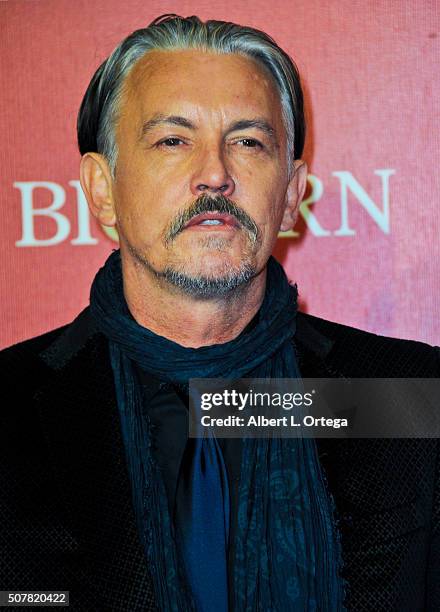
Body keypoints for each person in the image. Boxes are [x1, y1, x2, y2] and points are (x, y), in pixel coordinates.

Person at [0, 13, 438, 612]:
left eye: (248, 142)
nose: (215, 175)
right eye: (173, 140)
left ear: (289, 194)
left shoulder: (411, 400)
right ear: (102, 189)